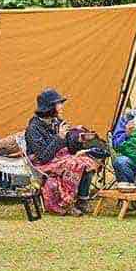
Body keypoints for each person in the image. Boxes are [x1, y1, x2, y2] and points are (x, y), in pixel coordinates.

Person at [24, 88, 99, 216]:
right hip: (42, 164)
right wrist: (59, 137)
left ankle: (82, 200)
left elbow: (70, 149)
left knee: (87, 162)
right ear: (49, 106)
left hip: (60, 158)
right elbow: (43, 157)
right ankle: (67, 203)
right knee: (74, 164)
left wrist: (80, 139)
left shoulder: (57, 122)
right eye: (58, 103)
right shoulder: (33, 129)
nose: (62, 106)